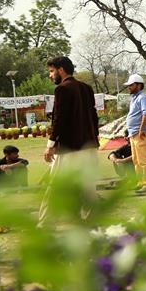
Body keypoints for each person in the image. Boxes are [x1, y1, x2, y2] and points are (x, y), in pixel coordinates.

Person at [41, 56, 100, 220]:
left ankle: (45, 224)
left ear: (61, 70)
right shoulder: (86, 88)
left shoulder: (62, 89)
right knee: (88, 188)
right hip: (89, 146)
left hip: (69, 149)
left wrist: (50, 145)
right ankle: (92, 220)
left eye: (52, 71)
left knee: (55, 187)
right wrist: (95, 138)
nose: (51, 75)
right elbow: (94, 117)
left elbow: (59, 119)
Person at [124, 74, 146, 193]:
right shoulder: (135, 98)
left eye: (131, 85)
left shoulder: (142, 97)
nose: (129, 87)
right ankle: (140, 182)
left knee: (143, 160)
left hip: (140, 132)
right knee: (136, 160)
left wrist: (141, 130)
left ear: (139, 85)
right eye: (129, 85)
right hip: (133, 132)